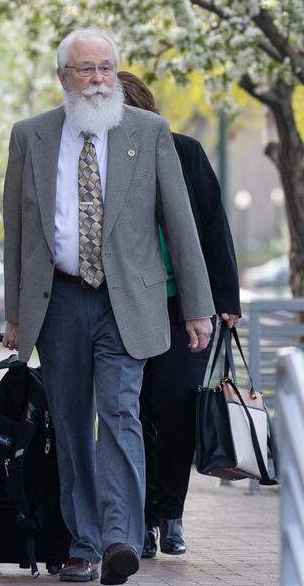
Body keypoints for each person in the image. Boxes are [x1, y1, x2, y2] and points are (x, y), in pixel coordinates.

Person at [1, 29, 215, 584]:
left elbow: (181, 224)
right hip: (61, 300)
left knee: (119, 412)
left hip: (128, 299)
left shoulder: (148, 133)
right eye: (86, 70)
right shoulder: (32, 136)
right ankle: (82, 542)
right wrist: (16, 315)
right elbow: (18, 232)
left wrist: (198, 306)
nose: (98, 80)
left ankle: (120, 535)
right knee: (71, 420)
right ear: (63, 78)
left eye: (106, 68)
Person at [117, 71, 241, 559]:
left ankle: (170, 512)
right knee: (133, 411)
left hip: (183, 306)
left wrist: (224, 302)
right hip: (127, 305)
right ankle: (141, 519)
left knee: (178, 409)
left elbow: (213, 226)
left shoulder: (183, 151)